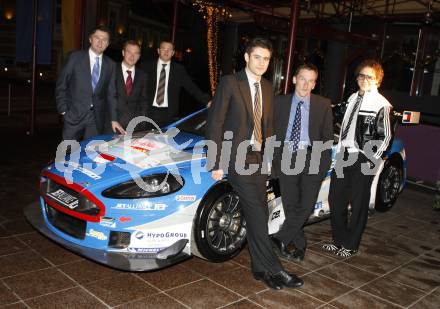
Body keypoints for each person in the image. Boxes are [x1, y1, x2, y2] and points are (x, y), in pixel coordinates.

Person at [206, 37, 303, 290]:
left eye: (266, 59)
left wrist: (270, 159)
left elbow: (269, 126)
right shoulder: (230, 82)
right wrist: (216, 162)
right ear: (247, 58)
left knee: (257, 213)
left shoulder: (269, 87)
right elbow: (215, 122)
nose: (262, 63)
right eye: (257, 57)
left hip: (259, 158)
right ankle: (275, 269)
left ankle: (260, 269)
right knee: (259, 215)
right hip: (236, 157)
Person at [322, 59, 393, 257]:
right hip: (344, 154)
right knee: (336, 199)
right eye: (361, 75)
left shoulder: (382, 104)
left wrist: (370, 159)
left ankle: (351, 246)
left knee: (359, 203)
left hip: (363, 157)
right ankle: (339, 242)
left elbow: (386, 136)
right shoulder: (353, 97)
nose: (364, 79)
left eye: (369, 77)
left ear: (377, 80)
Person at [271, 64, 333, 262]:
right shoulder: (279, 102)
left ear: (314, 84)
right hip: (286, 156)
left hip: (312, 157)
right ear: (294, 79)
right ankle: (299, 245)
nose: (306, 84)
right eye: (303, 79)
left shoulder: (323, 105)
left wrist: (323, 166)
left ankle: (280, 238)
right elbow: (270, 133)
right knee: (291, 205)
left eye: (311, 80)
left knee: (306, 206)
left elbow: (326, 138)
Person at [56, 25, 125, 141]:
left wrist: (114, 119)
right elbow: (61, 85)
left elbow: (111, 94)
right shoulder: (75, 57)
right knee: (67, 153)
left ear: (107, 44)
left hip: (95, 119)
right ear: (90, 39)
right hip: (73, 115)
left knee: (91, 153)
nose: (100, 42)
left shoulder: (111, 65)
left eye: (104, 40)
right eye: (97, 37)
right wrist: (63, 110)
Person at [142, 40, 211, 128]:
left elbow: (191, 87)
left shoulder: (179, 70)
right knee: (145, 140)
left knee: (165, 141)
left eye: (169, 50)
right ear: (158, 51)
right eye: (164, 49)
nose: (166, 52)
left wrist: (206, 101)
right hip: (148, 113)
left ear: (173, 53)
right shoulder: (146, 66)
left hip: (168, 114)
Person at [114, 40, 148, 129]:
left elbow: (143, 100)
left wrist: (142, 123)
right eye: (129, 52)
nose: (132, 56)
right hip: (111, 125)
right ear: (123, 53)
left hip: (134, 128)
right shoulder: (111, 70)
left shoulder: (143, 75)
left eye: (136, 53)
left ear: (139, 56)